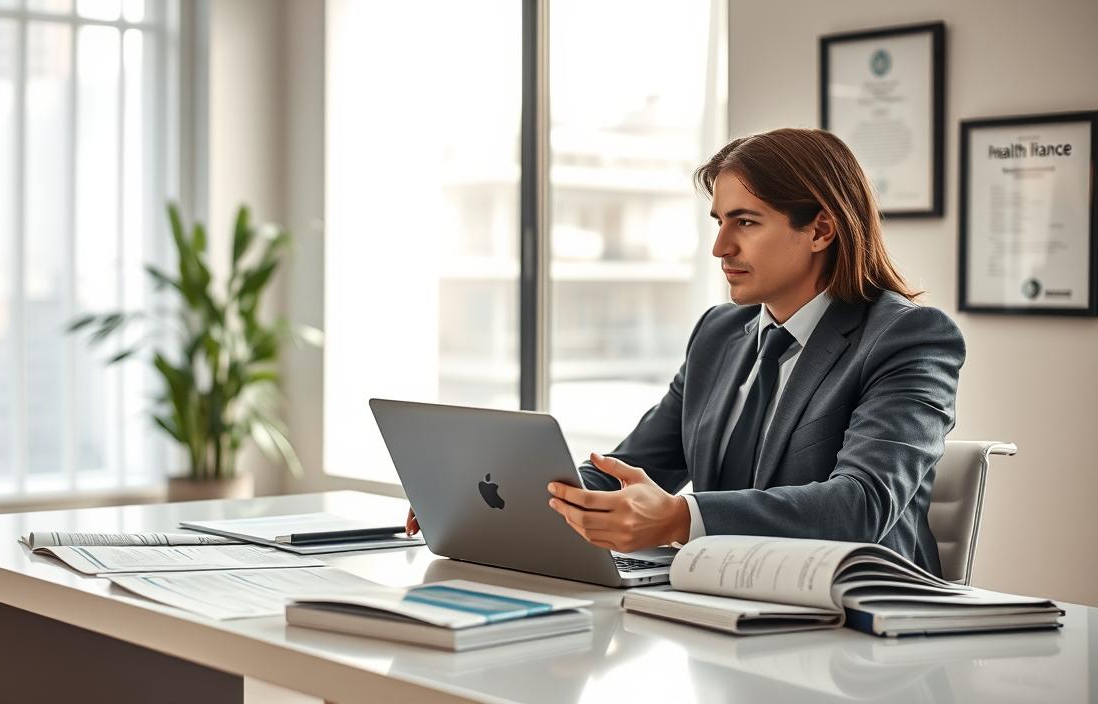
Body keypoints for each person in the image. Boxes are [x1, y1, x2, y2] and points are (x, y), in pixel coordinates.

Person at [406, 128, 963, 577]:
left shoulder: (908, 338)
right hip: (721, 604)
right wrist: (491, 502)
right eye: (720, 222)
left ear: (820, 229)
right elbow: (634, 468)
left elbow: (861, 506)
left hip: (861, 627)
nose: (721, 247)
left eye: (746, 222)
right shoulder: (721, 334)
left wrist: (678, 516)